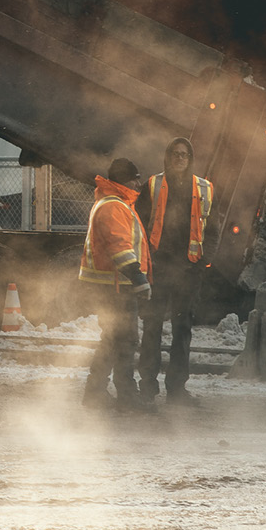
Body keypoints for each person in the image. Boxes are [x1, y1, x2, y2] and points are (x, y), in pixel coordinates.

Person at [134, 138, 213, 406]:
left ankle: (177, 390)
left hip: (188, 269)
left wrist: (202, 262)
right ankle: (147, 387)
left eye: (185, 154)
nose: (180, 158)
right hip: (159, 266)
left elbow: (208, 227)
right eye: (175, 154)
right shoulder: (153, 185)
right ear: (168, 157)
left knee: (182, 329)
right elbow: (141, 225)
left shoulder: (204, 188)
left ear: (191, 158)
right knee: (152, 326)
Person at [78, 157, 153, 411]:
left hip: (114, 285)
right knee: (123, 339)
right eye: (136, 177)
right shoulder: (114, 206)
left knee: (114, 339)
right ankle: (125, 397)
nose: (140, 183)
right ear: (126, 179)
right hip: (116, 287)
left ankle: (97, 392)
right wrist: (138, 277)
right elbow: (120, 247)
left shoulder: (114, 203)